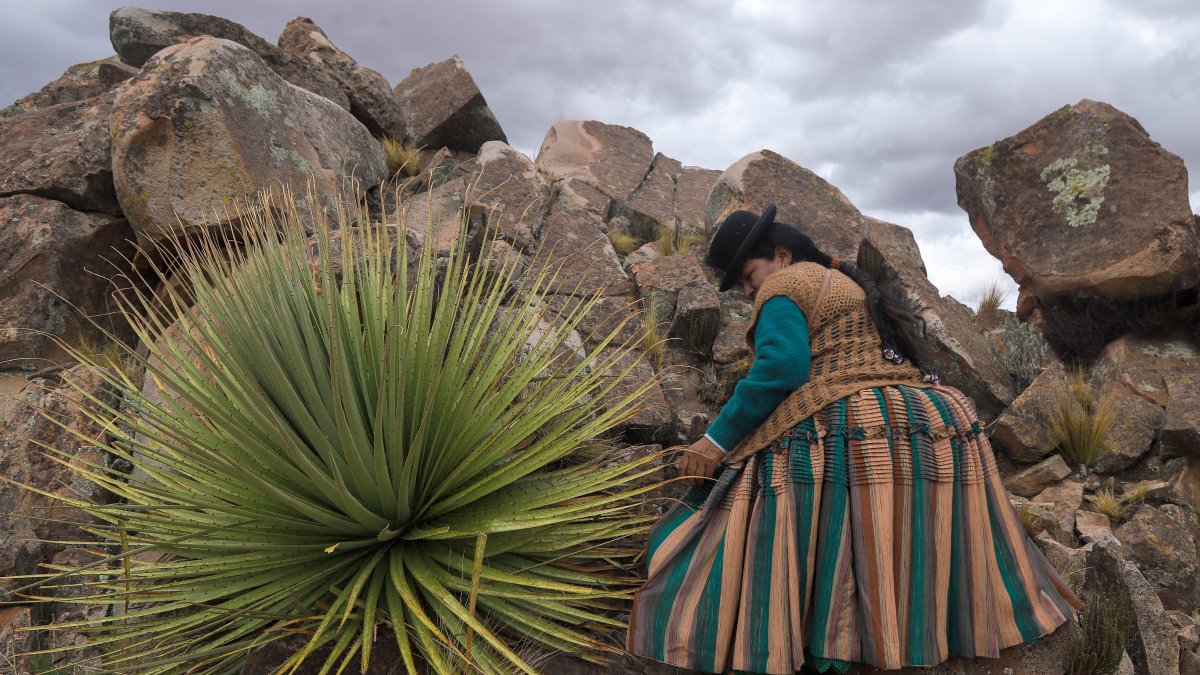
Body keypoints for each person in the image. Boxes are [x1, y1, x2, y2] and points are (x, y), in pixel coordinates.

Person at [626, 204, 1080, 674]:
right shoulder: (845, 284)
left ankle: (808, 644)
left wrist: (716, 442)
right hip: (935, 419)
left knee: (742, 507)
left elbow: (782, 368)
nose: (747, 291)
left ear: (780, 254)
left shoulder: (784, 285)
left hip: (859, 419)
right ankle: (916, 631)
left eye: (746, 276)